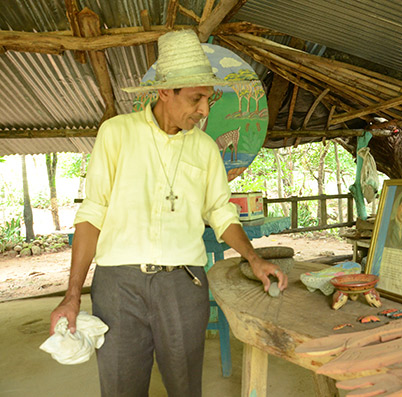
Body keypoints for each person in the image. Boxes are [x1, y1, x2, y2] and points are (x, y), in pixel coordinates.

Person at [49, 30, 287, 396]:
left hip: (183, 283)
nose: (205, 110)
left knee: (185, 387)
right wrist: (71, 295)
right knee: (120, 386)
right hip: (118, 287)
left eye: (208, 99)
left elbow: (221, 213)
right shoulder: (116, 134)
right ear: (164, 92)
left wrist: (253, 259)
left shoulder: (205, 149)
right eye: (196, 98)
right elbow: (92, 214)